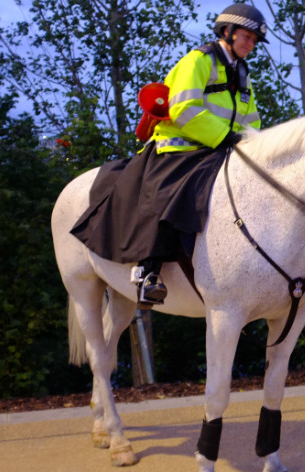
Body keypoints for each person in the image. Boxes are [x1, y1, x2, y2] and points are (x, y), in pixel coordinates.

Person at [70, 3, 267, 306]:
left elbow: (251, 118)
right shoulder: (199, 59)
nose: (250, 45)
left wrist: (256, 143)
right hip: (180, 145)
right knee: (170, 193)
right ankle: (149, 272)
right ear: (227, 32)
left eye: (254, 41)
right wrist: (226, 137)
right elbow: (183, 108)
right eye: (247, 37)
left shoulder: (242, 72)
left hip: (221, 147)